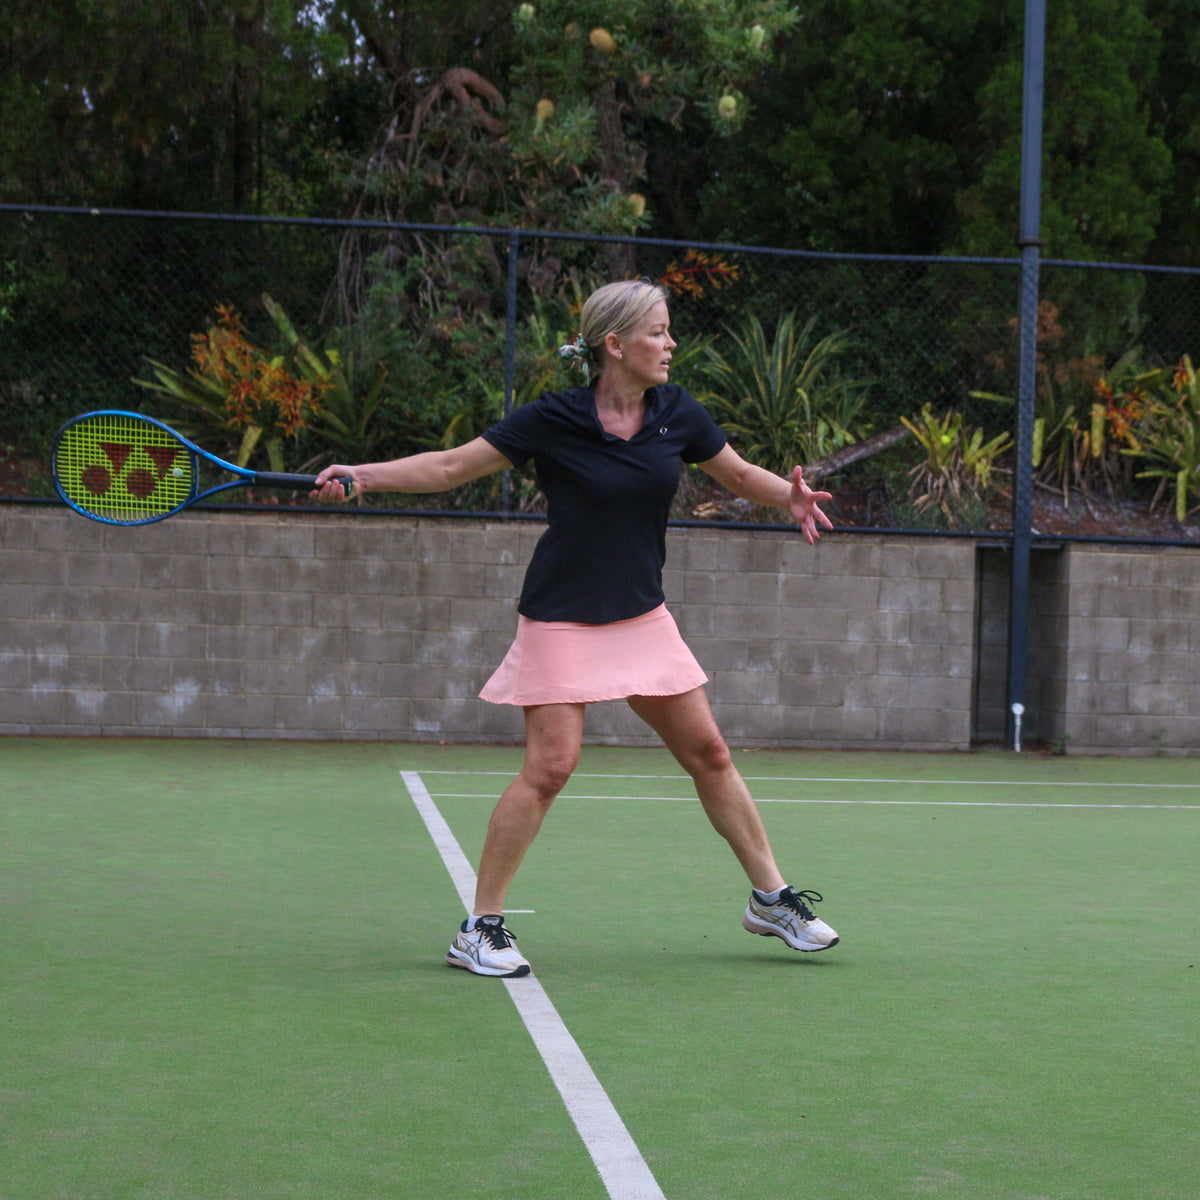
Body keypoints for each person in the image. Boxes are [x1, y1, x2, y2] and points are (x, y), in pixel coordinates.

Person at [312, 279, 839, 978]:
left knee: (709, 752)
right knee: (552, 766)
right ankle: (480, 928)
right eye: (658, 332)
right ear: (615, 345)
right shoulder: (554, 419)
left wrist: (788, 496)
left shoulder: (675, 413)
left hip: (641, 615)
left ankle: (771, 899)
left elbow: (737, 474)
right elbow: (450, 467)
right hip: (561, 615)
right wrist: (365, 477)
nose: (670, 344)